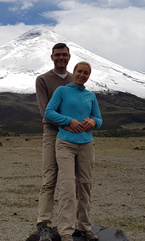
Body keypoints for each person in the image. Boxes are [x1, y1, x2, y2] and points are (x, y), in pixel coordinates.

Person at [44, 61, 102, 241]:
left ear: (88, 76)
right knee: (67, 187)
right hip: (65, 144)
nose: (82, 75)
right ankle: (66, 231)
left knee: (85, 185)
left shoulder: (90, 95)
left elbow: (99, 119)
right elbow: (49, 112)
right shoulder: (61, 91)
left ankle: (84, 227)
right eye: (79, 71)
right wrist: (69, 121)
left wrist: (93, 122)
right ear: (74, 72)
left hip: (86, 144)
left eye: (86, 73)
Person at [35, 43, 74, 240]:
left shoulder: (75, 79)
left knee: (71, 181)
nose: (61, 58)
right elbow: (45, 110)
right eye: (57, 55)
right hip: (52, 132)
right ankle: (43, 224)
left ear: (69, 57)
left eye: (64, 55)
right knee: (50, 177)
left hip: (73, 134)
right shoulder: (43, 80)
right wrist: (67, 123)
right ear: (52, 57)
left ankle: (70, 224)